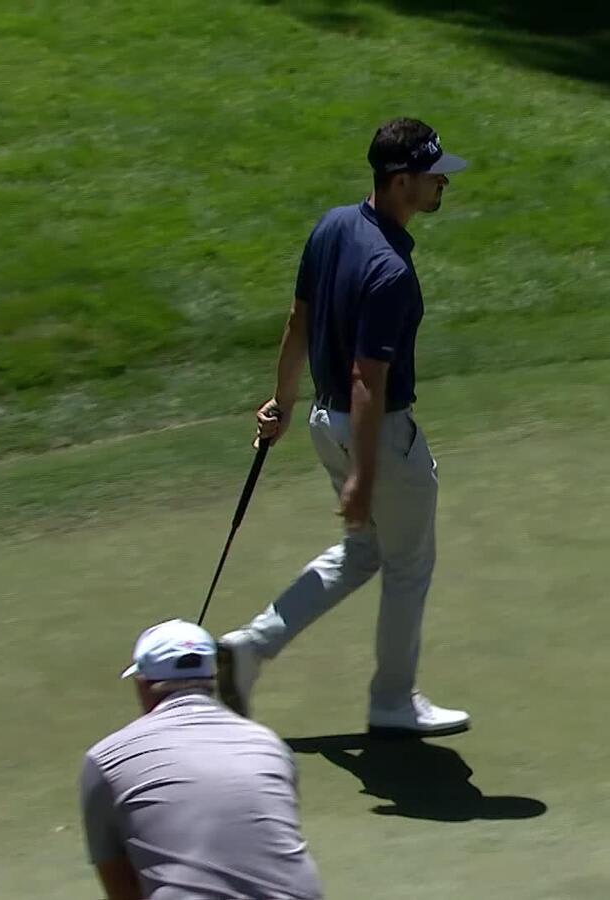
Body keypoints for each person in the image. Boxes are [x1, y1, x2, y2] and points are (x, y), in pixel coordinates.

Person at [217, 117, 471, 738]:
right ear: (401, 181)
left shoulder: (332, 225)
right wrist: (365, 472)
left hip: (322, 423)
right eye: (434, 176)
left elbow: (297, 322)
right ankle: (392, 700)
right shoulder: (392, 275)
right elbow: (367, 378)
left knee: (363, 553)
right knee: (408, 564)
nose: (444, 184)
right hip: (373, 432)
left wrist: (278, 405)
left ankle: (249, 649)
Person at [80, 619, 324, 900]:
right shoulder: (271, 744)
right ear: (212, 680)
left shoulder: (105, 759)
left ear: (142, 684)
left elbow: (122, 889)